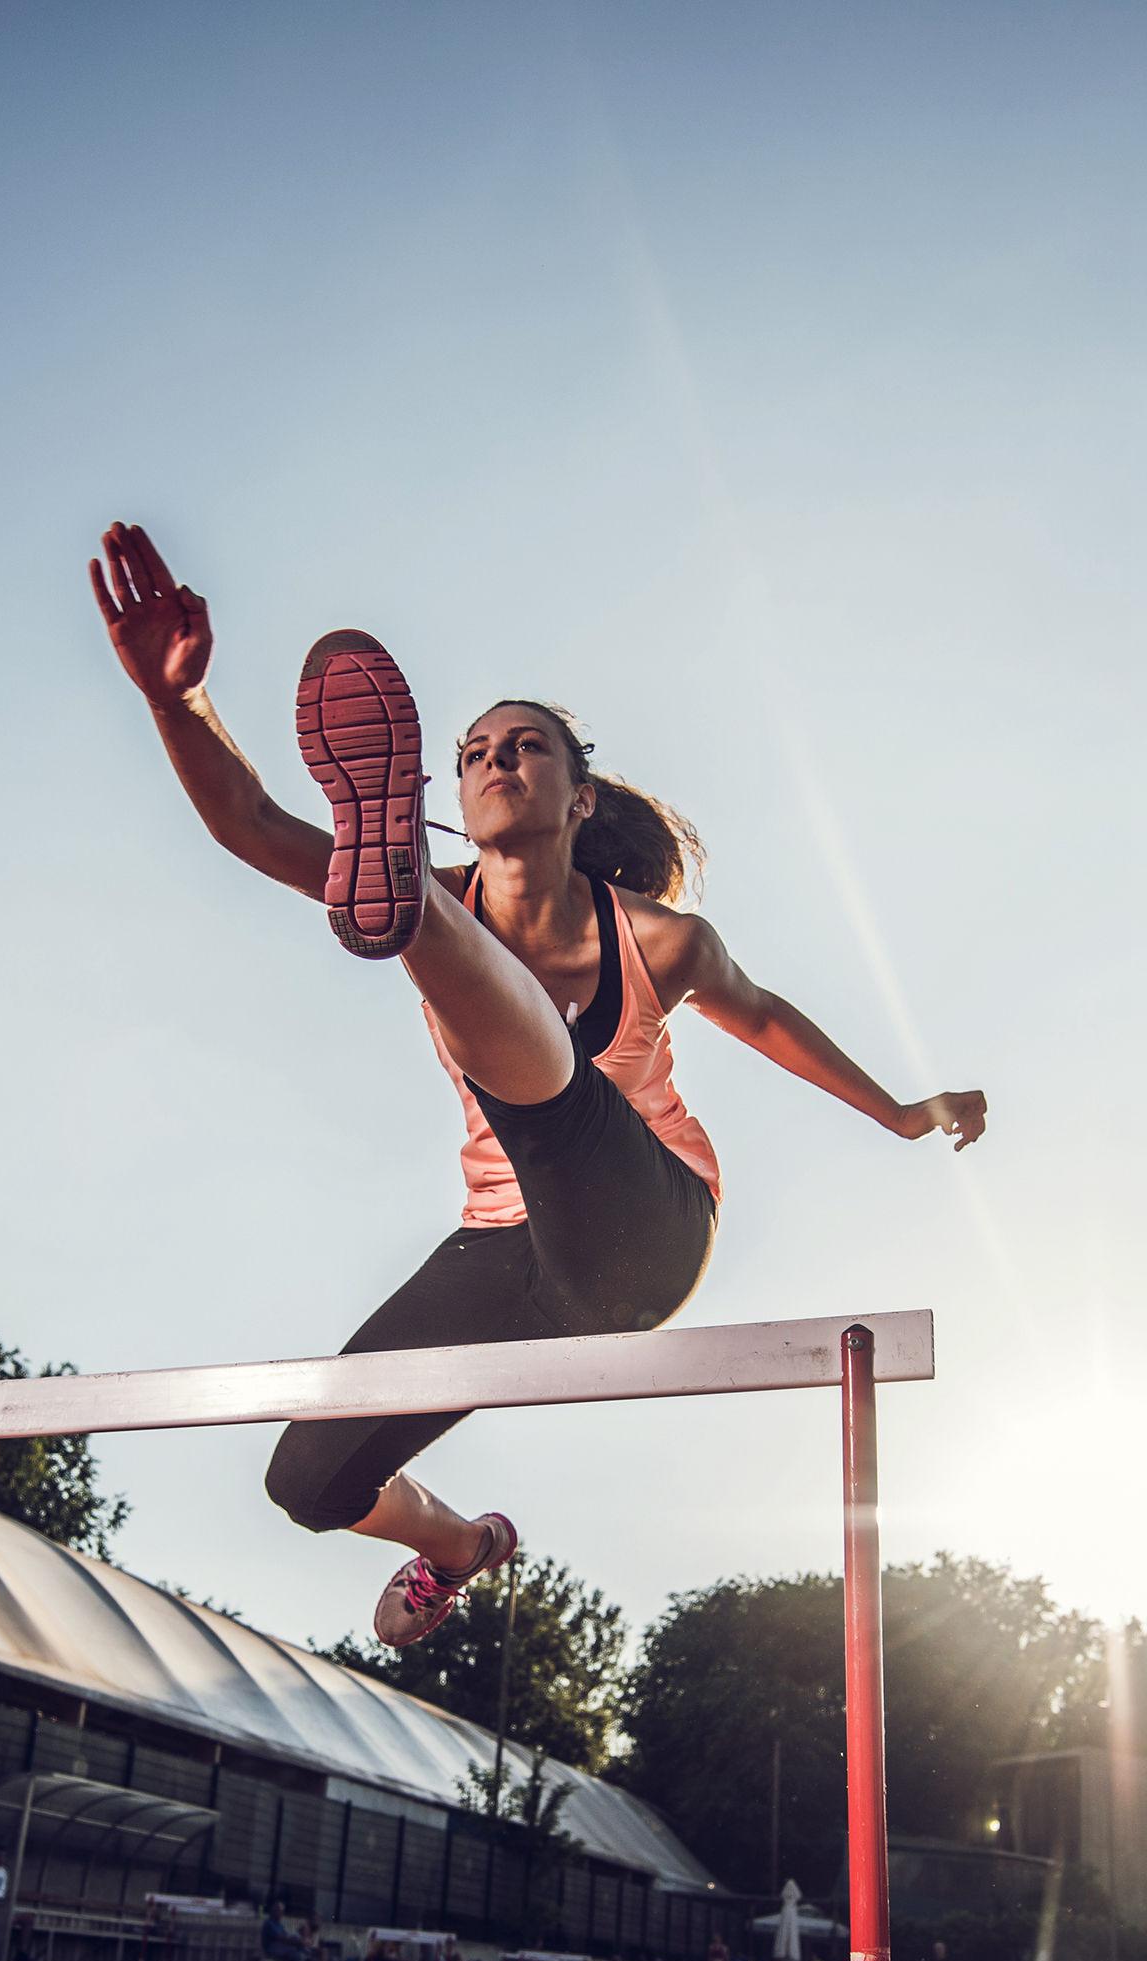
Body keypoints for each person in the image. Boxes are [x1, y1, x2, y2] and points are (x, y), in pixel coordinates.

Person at [90, 523, 987, 1646]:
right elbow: (254, 825)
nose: (498, 761)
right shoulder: (457, 873)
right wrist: (177, 701)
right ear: (458, 797)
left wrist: (904, 1112)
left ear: (579, 800)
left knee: (551, 1091)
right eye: (474, 754)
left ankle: (402, 909)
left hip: (642, 1229)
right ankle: (463, 1545)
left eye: (526, 748)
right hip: (502, 1250)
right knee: (306, 1478)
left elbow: (769, 1022)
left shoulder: (663, 942)